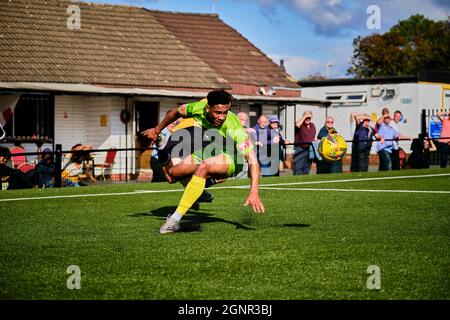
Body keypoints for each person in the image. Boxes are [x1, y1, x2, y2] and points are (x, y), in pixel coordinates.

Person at [142, 90, 265, 234]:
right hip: (210, 151)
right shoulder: (197, 107)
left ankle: (174, 220)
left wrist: (254, 191)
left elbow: (252, 159)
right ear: (207, 107)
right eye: (218, 112)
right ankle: (163, 148)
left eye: (225, 112)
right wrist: (157, 130)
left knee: (204, 167)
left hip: (233, 158)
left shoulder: (232, 124)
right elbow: (174, 113)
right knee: (172, 175)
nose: (222, 116)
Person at [293, 111, 316, 175]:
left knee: (306, 171)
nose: (308, 118)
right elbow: (297, 125)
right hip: (300, 150)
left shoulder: (312, 125)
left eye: (309, 117)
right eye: (306, 117)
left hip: (309, 150)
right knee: (297, 170)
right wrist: (305, 116)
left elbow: (312, 137)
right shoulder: (300, 124)